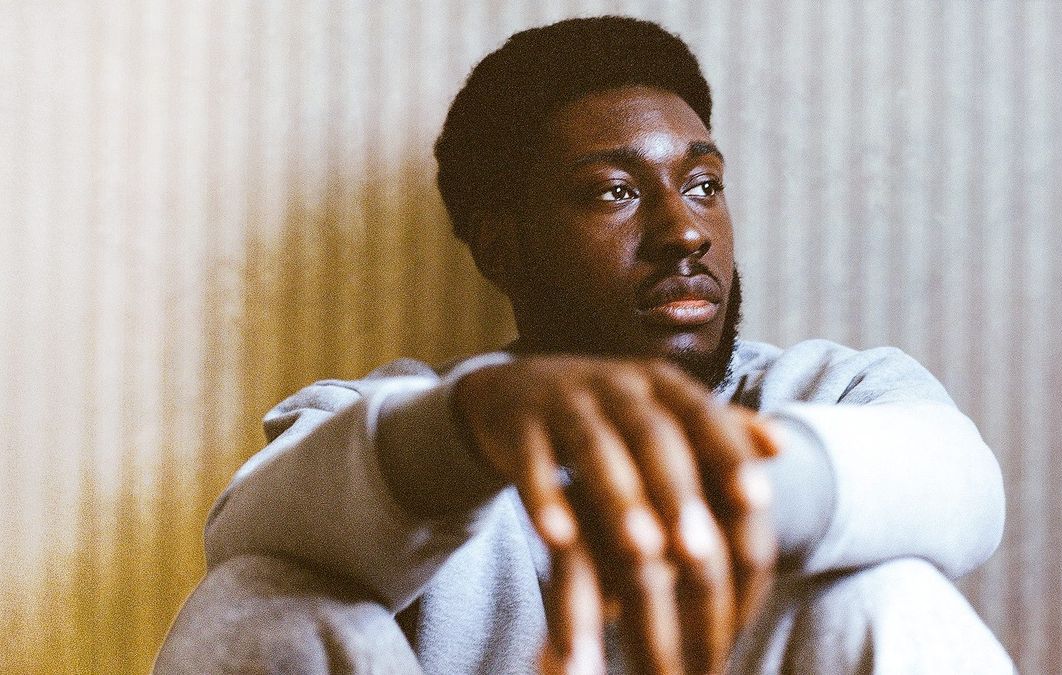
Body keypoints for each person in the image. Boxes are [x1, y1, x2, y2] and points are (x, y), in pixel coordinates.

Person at [156, 16, 1013, 674]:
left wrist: (735, 481)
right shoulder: (398, 420)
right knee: (258, 603)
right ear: (502, 247)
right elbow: (248, 529)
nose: (686, 231)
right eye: (614, 191)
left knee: (886, 594)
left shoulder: (824, 387)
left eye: (703, 184)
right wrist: (470, 426)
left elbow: (962, 484)